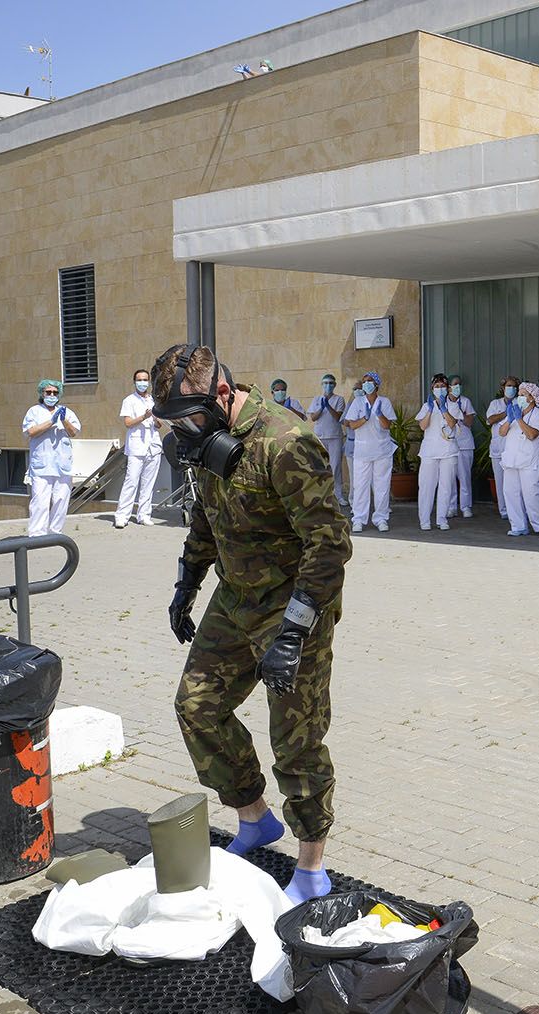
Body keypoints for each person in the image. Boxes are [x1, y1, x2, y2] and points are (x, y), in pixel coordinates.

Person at [157, 344, 352, 905]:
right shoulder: (209, 442)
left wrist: (294, 631)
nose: (183, 433)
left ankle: (311, 869)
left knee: (295, 740)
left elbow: (329, 544)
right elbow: (205, 519)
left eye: (188, 419)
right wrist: (187, 585)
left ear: (221, 393)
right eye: (172, 423)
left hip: (293, 606)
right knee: (197, 708)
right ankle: (254, 817)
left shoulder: (285, 442)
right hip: (235, 597)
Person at [23, 379, 82, 536]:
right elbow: (31, 431)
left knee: (61, 500)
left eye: (55, 393)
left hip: (62, 464)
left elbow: (74, 432)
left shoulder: (66, 412)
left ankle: (55, 532)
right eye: (48, 392)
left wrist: (63, 420)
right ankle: (37, 534)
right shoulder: (34, 411)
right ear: (42, 393)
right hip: (42, 464)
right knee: (40, 500)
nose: (51, 395)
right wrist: (51, 422)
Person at [344, 371, 395, 533]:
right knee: (360, 486)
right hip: (362, 452)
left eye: (370, 381)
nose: (366, 384)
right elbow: (351, 425)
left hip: (382, 451)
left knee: (382, 486)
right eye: (364, 381)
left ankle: (381, 518)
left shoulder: (384, 402)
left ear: (376, 384)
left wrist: (379, 415)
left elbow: (387, 426)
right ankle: (358, 519)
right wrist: (364, 418)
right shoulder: (358, 402)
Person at [500, 381, 539, 537]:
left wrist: (519, 420)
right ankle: (518, 526)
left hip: (529, 462)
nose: (519, 397)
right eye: (519, 394)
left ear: (532, 398)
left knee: (532, 494)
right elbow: (501, 432)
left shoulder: (538, 415)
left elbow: (532, 435)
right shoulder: (514, 412)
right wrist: (509, 420)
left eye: (523, 395)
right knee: (510, 494)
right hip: (511, 461)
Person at [113, 368, 162, 529]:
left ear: (149, 382)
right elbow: (128, 423)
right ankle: (122, 516)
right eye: (139, 380)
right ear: (134, 382)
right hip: (136, 446)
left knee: (149, 483)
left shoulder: (153, 400)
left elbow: (159, 425)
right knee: (131, 481)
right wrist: (143, 417)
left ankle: (144, 515)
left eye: (145, 380)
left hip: (153, 445)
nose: (142, 383)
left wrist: (155, 419)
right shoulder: (129, 400)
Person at [415, 372, 460, 531]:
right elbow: (423, 426)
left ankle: (442, 519)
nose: (440, 388)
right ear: (432, 388)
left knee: (446, 486)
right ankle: (424, 520)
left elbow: (452, 423)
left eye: (442, 386)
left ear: (447, 388)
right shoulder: (427, 405)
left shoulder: (453, 405)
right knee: (426, 486)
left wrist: (443, 409)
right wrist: (430, 410)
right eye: (437, 386)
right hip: (429, 451)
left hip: (448, 450)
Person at [305, 374, 348, 510]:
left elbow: (338, 417)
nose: (328, 385)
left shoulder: (339, 399)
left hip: (335, 437)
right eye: (325, 383)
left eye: (330, 383)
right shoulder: (317, 399)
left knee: (335, 466)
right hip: (320, 437)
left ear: (334, 385)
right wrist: (321, 408)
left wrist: (328, 406)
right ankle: (322, 496)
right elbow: (313, 417)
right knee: (320, 466)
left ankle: (338, 495)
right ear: (322, 385)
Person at [485, 377, 518, 519]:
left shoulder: (520, 402)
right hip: (498, 449)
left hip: (514, 449)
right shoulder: (495, 403)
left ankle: (515, 509)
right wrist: (506, 413)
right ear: (503, 388)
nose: (512, 389)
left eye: (514, 386)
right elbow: (490, 420)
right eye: (509, 386)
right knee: (500, 482)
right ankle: (503, 510)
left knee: (514, 483)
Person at [448, 375, 477, 519]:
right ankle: (451, 507)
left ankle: (465, 507)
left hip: (465, 444)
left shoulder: (465, 401)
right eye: (455, 384)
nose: (458, 387)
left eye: (459, 384)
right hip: (448, 443)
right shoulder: (443, 403)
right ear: (449, 387)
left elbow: (469, 422)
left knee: (464, 477)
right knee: (449, 478)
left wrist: (460, 413)